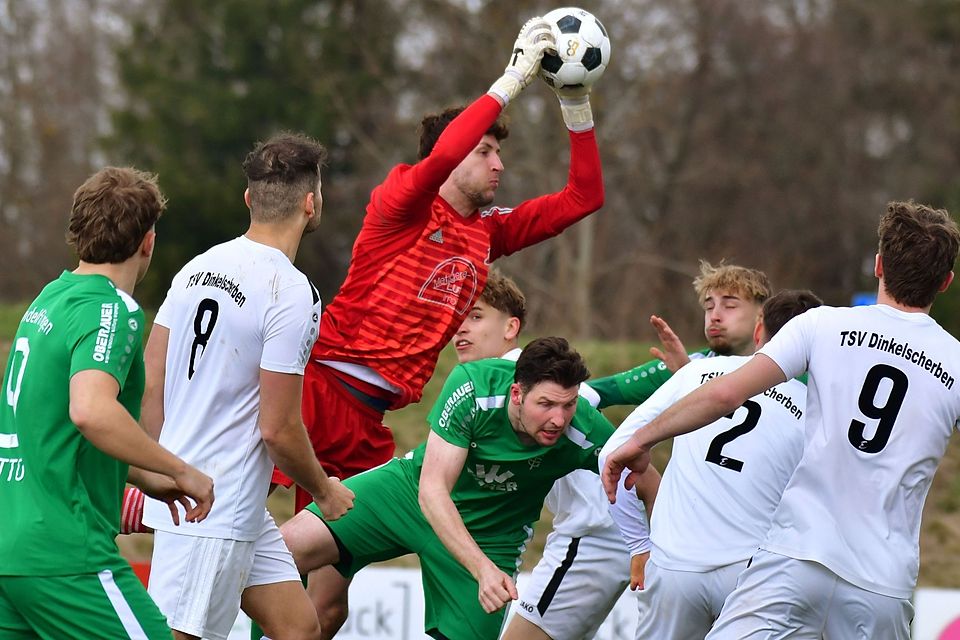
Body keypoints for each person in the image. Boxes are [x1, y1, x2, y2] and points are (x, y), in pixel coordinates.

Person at [282, 16, 605, 637]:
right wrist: (512, 79)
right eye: (486, 150)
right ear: (450, 154)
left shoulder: (486, 231)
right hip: (318, 396)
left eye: (499, 152)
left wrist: (575, 101)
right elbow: (442, 159)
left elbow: (582, 198)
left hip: (368, 425)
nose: (499, 164)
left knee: (326, 608)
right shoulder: (401, 202)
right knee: (274, 564)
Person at [602, 201, 960, 639]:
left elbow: (725, 391)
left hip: (795, 560)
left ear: (879, 266)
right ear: (945, 282)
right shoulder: (956, 363)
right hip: (880, 584)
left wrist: (642, 439)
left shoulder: (821, 325)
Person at [140, 134, 354, 640]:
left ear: (248, 200)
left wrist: (168, 466)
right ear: (311, 203)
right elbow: (278, 427)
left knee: (300, 629)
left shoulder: (198, 266)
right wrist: (324, 491)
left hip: (203, 494)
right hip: (216, 506)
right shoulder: (292, 292)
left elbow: (152, 377)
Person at [280, 337, 617, 640]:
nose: (559, 419)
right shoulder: (473, 387)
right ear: (517, 394)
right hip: (409, 496)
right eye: (546, 405)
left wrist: (645, 548)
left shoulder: (584, 427)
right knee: (283, 550)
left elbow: (639, 468)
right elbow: (432, 490)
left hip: (490, 537)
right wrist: (482, 570)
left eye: (568, 405)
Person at [0, 167, 214, 639]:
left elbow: (57, 429)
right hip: (64, 551)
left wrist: (144, 475)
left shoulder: (47, 301)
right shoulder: (111, 308)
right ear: (148, 242)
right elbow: (91, 411)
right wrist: (181, 471)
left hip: (10, 550)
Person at [599, 289, 822, 639]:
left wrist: (639, 545)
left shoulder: (696, 372)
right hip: (750, 574)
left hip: (674, 567)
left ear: (759, 331)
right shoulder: (816, 407)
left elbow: (612, 453)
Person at [454, 270, 659, 640]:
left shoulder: (521, 383)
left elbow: (599, 398)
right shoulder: (525, 381)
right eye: (457, 316)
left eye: (476, 315)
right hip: (589, 537)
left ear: (510, 326)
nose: (460, 329)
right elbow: (604, 391)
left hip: (592, 535)